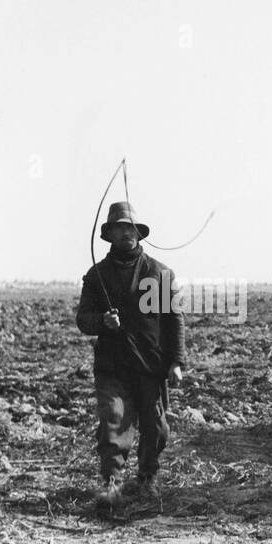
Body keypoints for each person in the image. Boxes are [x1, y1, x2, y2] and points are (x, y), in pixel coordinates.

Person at [77, 202, 186, 507]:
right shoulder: (96, 276)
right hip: (112, 366)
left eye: (131, 227)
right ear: (109, 234)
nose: (126, 232)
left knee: (157, 428)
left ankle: (147, 478)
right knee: (114, 420)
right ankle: (112, 483)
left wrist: (176, 361)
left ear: (139, 233)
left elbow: (174, 319)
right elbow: (83, 318)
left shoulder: (159, 274)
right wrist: (102, 322)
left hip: (151, 364)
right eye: (119, 227)